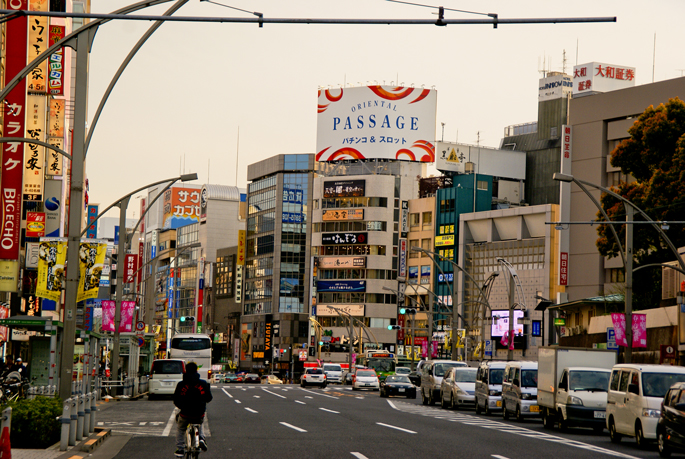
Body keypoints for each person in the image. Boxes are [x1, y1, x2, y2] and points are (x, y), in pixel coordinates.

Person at [173, 362, 212, 457]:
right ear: (196, 370)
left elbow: (176, 399)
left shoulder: (181, 384)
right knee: (200, 422)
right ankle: (201, 439)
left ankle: (180, 449)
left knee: (181, 428)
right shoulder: (203, 383)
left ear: (185, 370)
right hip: (199, 413)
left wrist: (181, 406)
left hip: (185, 413)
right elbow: (209, 398)